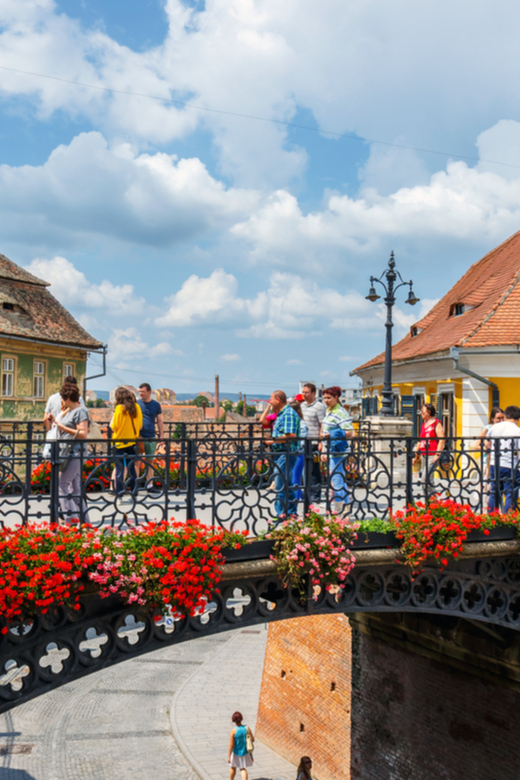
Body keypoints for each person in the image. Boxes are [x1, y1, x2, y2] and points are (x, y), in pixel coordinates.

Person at [46, 383, 90, 523]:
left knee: (62, 485)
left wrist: (63, 427)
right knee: (76, 490)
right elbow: (59, 425)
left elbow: (83, 434)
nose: (61, 401)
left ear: (68, 398)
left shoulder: (80, 411)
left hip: (76, 453)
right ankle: (85, 522)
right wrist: (54, 422)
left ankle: (71, 520)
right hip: (69, 453)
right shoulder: (69, 410)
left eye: (63, 398)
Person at [320, 386, 354, 514]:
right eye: (324, 398)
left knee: (337, 479)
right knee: (338, 478)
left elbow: (351, 432)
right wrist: (324, 450)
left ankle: (342, 507)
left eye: (329, 398)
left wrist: (333, 434)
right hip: (331, 450)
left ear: (336, 398)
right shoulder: (329, 411)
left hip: (338, 451)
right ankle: (345, 505)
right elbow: (324, 432)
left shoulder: (340, 412)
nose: (326, 400)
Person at [268, 390, 301, 518]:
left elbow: (291, 435)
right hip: (282, 453)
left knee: (280, 485)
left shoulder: (287, 414)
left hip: (286, 453)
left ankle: (281, 515)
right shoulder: (282, 414)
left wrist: (272, 441)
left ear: (278, 400)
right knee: (287, 483)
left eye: (271, 399)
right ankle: (292, 512)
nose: (269, 403)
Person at [487, 405, 520, 513]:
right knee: (511, 492)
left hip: (494, 463)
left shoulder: (494, 427)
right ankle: (508, 519)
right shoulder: (517, 430)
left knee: (494, 492)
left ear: (505, 416)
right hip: (509, 465)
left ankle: (491, 518)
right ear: (518, 419)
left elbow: (488, 443)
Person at [110, 387, 143, 495]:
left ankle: (119, 494)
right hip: (132, 442)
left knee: (119, 470)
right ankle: (134, 493)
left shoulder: (119, 408)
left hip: (119, 443)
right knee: (131, 469)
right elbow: (140, 426)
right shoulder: (137, 407)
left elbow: (114, 426)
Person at [301, 383, 326, 503]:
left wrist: (321, 442)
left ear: (313, 393)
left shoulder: (319, 406)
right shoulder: (302, 406)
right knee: (304, 468)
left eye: (306, 392)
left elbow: (323, 425)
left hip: (314, 441)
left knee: (313, 469)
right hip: (303, 441)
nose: (304, 394)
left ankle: (316, 494)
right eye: (303, 392)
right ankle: (307, 492)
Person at [136, 383, 164, 486]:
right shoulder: (136, 403)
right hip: (138, 437)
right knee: (136, 462)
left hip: (150, 436)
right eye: (139, 392)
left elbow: (160, 420)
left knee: (150, 462)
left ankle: (150, 485)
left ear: (149, 392)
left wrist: (161, 436)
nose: (140, 394)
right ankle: (136, 485)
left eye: (142, 391)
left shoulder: (156, 405)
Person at [413, 403, 446, 470]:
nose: (421, 413)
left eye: (422, 411)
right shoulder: (424, 425)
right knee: (426, 477)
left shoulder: (437, 423)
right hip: (424, 454)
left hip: (432, 454)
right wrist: (415, 456)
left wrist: (437, 455)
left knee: (426, 476)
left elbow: (442, 439)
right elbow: (420, 441)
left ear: (429, 412)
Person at [478, 407, 505, 488]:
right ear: (492, 418)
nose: (501, 421)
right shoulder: (487, 429)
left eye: (502, 418)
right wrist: (488, 449)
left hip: (502, 461)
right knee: (487, 488)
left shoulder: (504, 429)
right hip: (487, 462)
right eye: (498, 418)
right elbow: (477, 445)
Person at [290, 398, 308, 501]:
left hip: (298, 453)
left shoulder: (301, 424)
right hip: (293, 453)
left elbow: (301, 441)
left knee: (295, 478)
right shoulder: (295, 423)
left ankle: (295, 501)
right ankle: (299, 497)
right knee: (293, 477)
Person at [227, 711, 254, 780]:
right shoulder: (247, 728)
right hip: (245, 752)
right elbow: (252, 739)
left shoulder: (233, 731)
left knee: (233, 767)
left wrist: (228, 756)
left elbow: (231, 745)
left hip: (236, 752)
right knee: (243, 769)